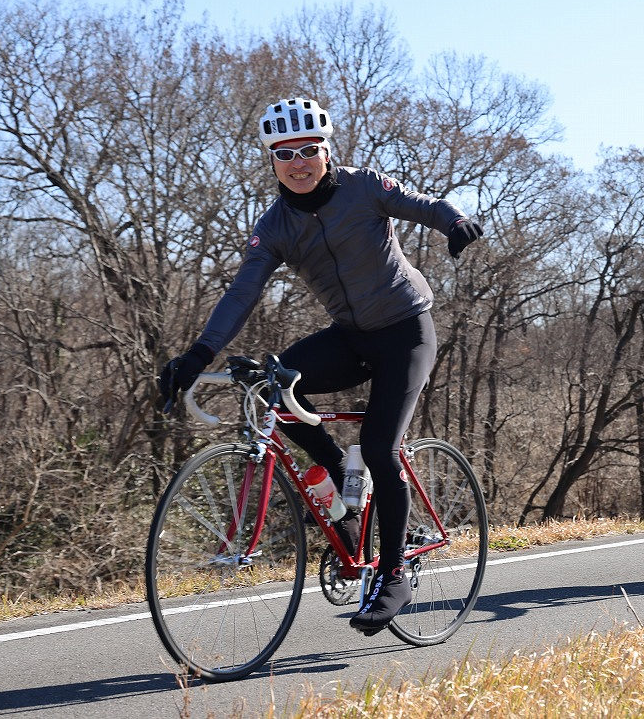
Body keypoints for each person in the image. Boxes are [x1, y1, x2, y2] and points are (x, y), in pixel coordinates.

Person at [157, 97, 483, 635]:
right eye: (285, 153)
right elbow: (242, 293)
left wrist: (456, 222)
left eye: (309, 150)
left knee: (380, 448)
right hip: (351, 337)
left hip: (406, 330)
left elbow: (428, 205)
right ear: (272, 161)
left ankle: (395, 571)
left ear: (326, 151)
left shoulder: (365, 187)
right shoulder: (276, 226)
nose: (299, 162)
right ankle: (340, 484)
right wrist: (197, 354)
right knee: (273, 385)